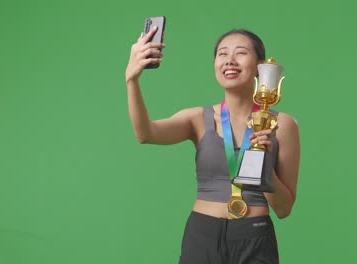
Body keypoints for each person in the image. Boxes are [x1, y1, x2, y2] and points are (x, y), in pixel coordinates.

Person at [125, 26, 300, 264]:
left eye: (240, 53)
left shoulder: (281, 124)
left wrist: (265, 168)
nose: (230, 60)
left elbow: (284, 209)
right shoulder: (197, 118)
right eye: (222, 54)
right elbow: (146, 133)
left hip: (255, 235)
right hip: (202, 233)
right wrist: (132, 80)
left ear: (260, 66)